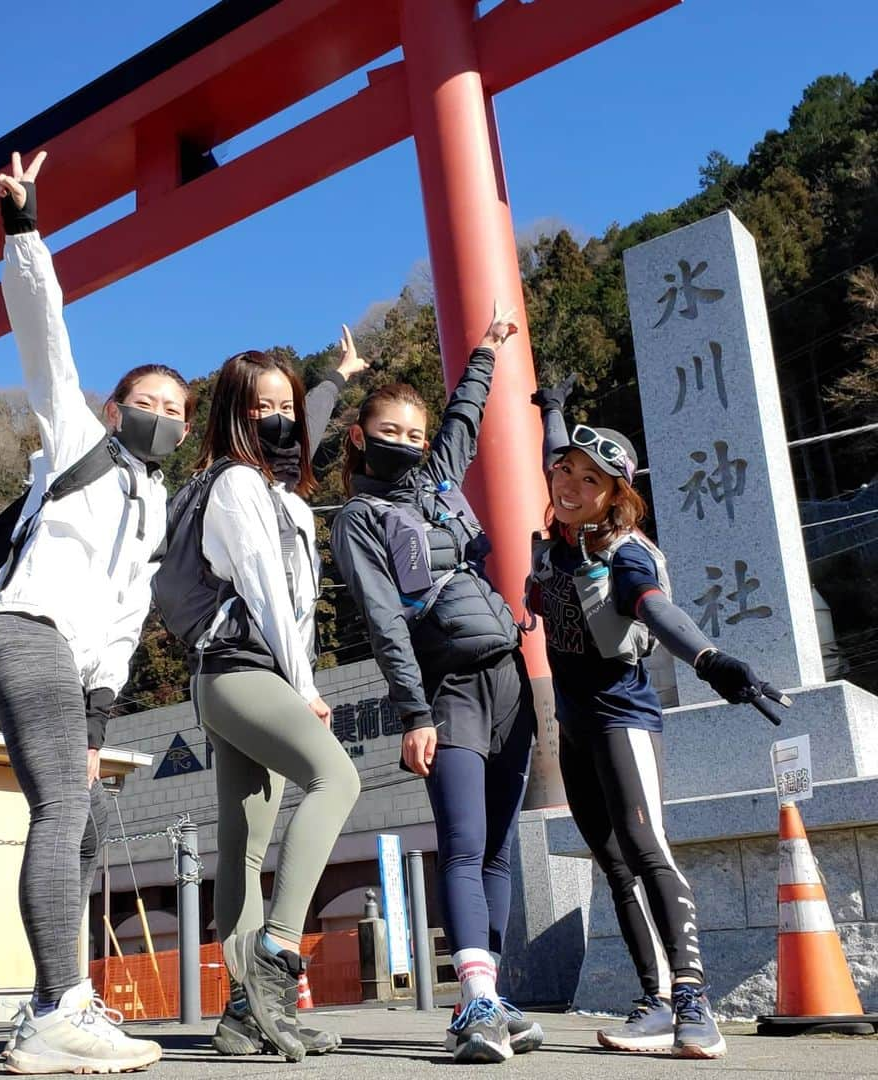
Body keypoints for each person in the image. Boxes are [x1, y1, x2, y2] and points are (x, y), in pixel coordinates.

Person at [0, 151, 191, 1075]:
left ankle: (58, 1001)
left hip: (71, 659)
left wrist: (100, 721)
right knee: (63, 807)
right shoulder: (81, 441)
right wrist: (24, 227)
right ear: (113, 407)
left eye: (178, 408)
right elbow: (43, 330)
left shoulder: (157, 507)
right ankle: (57, 1007)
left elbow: (123, 627)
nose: (163, 417)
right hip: (22, 626)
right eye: (148, 402)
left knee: (84, 816)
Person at [527, 375, 791, 1060]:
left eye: (592, 482)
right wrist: (552, 409)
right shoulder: (561, 534)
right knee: (611, 864)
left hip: (623, 717)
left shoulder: (626, 553)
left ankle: (695, 1008)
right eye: (568, 472)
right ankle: (652, 1002)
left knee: (648, 851)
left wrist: (711, 660)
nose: (571, 485)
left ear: (617, 496)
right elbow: (556, 451)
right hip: (574, 722)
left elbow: (655, 611)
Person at [329, 303, 544, 1065]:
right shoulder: (360, 517)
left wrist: (485, 350)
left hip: (510, 678)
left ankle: (495, 991)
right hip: (447, 686)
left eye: (414, 436)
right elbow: (386, 621)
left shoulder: (438, 480)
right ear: (360, 436)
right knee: (461, 845)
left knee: (498, 850)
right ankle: (473, 1002)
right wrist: (412, 710)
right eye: (389, 432)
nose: (407, 445)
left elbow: (464, 416)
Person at [187, 345, 364, 1064]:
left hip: (241, 674)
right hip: (243, 671)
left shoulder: (281, 491)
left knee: (244, 843)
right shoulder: (235, 485)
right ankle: (277, 956)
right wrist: (307, 686)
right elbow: (264, 592)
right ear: (235, 411)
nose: (280, 419)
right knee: (339, 778)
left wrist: (333, 382)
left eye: (285, 407)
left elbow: (306, 417)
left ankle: (245, 1014)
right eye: (262, 407)